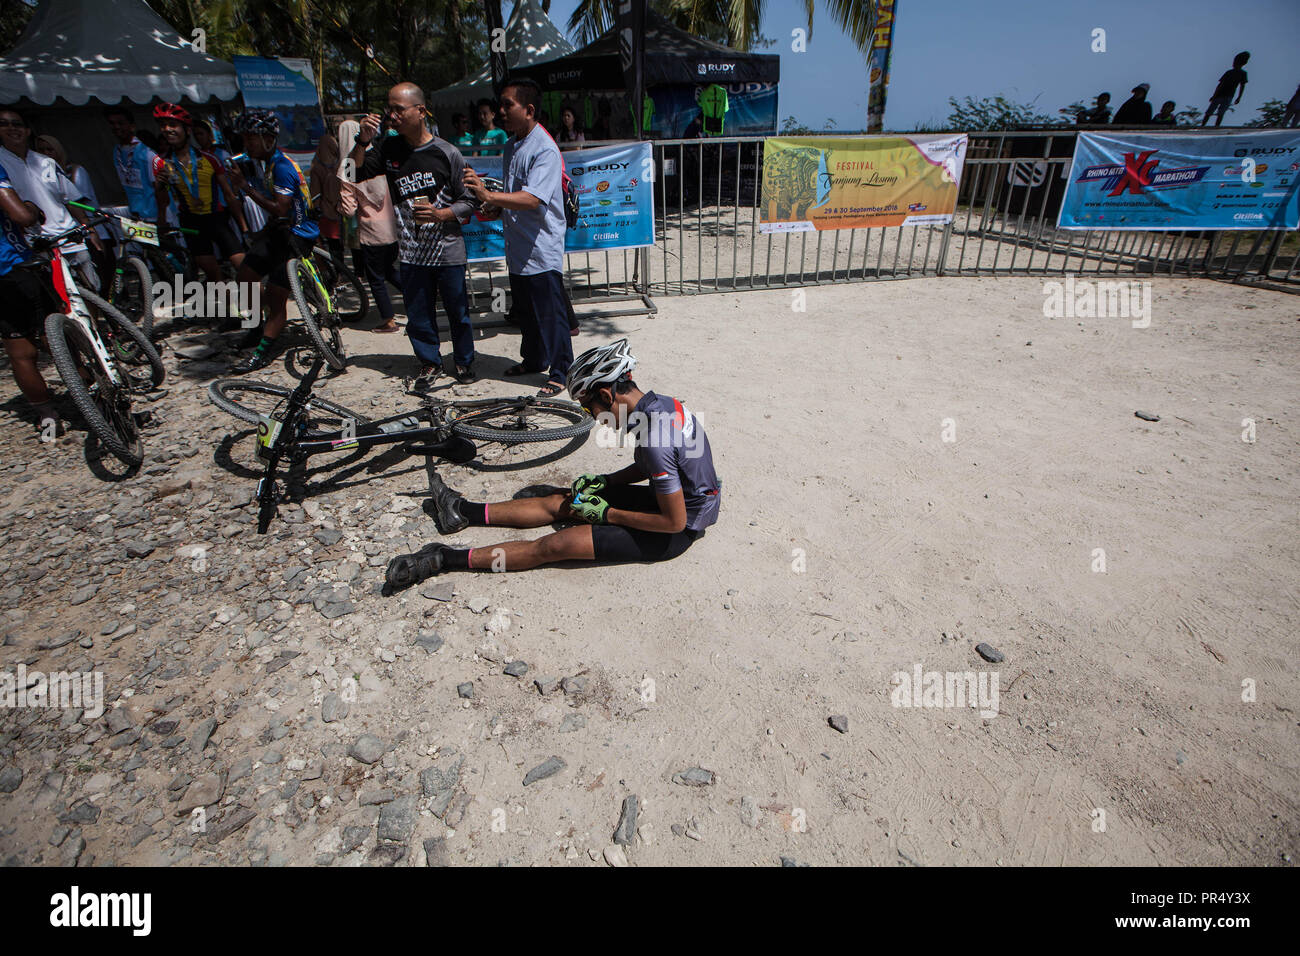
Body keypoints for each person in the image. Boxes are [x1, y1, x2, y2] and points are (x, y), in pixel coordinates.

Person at [382, 339, 721, 589]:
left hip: (677, 528)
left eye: (589, 408)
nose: (592, 417)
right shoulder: (660, 405)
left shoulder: (656, 437)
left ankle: (443, 558)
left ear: (606, 395)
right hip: (680, 503)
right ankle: (462, 510)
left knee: (555, 546)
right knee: (566, 501)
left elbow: (673, 522)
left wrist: (607, 514)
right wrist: (607, 482)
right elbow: (657, 467)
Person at [348, 82, 478, 386]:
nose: (391, 115)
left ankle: (463, 362)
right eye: (388, 109)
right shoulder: (387, 148)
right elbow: (352, 173)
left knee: (458, 313)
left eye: (398, 109)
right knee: (419, 315)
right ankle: (429, 363)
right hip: (411, 252)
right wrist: (362, 142)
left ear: (420, 111)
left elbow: (470, 202)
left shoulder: (447, 153)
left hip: (448, 251)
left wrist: (441, 214)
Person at [463, 77, 572, 397]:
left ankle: (562, 369)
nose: (501, 111)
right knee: (527, 311)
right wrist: (496, 207)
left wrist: (492, 197)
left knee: (550, 313)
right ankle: (534, 359)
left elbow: (533, 198)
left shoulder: (545, 149)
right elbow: (515, 194)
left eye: (507, 105)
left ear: (529, 109)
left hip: (541, 246)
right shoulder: (512, 145)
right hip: (518, 244)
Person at [223, 109, 320, 373]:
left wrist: (244, 186)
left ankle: (265, 349)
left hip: (299, 235)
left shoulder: (283, 167)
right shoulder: (267, 164)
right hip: (279, 229)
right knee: (244, 275)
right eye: (245, 139)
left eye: (251, 139)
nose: (247, 144)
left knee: (277, 298)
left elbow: (280, 207)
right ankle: (256, 326)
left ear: (268, 139)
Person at [0, 108, 103, 292]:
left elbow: (69, 199)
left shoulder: (46, 161)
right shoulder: (1, 163)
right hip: (36, 244)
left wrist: (89, 228)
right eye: (4, 124)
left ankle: (93, 322)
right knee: (60, 299)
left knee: (91, 291)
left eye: (17, 124)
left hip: (69, 237)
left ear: (27, 130)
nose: (12, 128)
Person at [0, 166, 64, 436]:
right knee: (59, 337)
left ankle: (47, 418)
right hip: (17, 267)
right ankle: (98, 397)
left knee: (20, 352)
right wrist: (32, 207)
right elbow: (23, 217)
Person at [151, 102, 247, 282]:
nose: (167, 129)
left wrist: (244, 228)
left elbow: (228, 194)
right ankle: (231, 309)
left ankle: (260, 307)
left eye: (173, 125)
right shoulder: (161, 163)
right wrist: (160, 187)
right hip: (191, 222)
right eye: (163, 126)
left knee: (244, 268)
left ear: (187, 130)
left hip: (217, 218)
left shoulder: (210, 158)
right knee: (213, 274)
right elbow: (162, 200)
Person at [33, 134, 115, 291]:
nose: (46, 154)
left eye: (50, 149)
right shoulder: (40, 172)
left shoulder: (75, 171)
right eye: (41, 150)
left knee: (97, 282)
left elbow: (77, 202)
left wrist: (90, 229)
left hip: (85, 228)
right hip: (57, 237)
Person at [339, 176, 402, 333]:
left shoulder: (349, 170)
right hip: (391, 229)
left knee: (376, 278)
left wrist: (337, 207)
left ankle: (388, 320)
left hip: (371, 232)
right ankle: (420, 297)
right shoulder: (379, 165)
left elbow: (349, 210)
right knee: (387, 270)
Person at [105, 106, 161, 221]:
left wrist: (162, 219)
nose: (116, 127)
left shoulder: (147, 154)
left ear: (132, 126)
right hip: (136, 215)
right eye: (112, 123)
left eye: (121, 123)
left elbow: (160, 189)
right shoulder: (117, 152)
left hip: (155, 216)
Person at [309, 133, 344, 260]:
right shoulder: (342, 164)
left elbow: (315, 192)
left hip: (326, 211)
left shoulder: (316, 168)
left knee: (330, 243)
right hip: (342, 209)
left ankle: (335, 271)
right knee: (340, 242)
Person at [1202, 52, 1249, 127]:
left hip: (1225, 95)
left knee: (1217, 113)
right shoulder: (1232, 72)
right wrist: (1214, 95)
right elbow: (1221, 85)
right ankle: (1204, 126)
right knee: (1214, 112)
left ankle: (1214, 127)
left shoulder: (1238, 73)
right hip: (1224, 95)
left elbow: (1241, 86)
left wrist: (1239, 97)